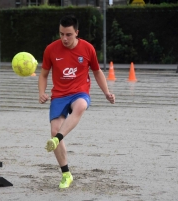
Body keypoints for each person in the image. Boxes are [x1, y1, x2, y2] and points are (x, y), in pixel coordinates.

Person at [38, 15, 115, 189]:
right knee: (54, 129)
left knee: (80, 105)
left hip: (79, 92)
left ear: (77, 33)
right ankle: (66, 174)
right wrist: (41, 93)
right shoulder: (51, 49)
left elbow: (97, 72)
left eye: (68, 34)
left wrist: (107, 93)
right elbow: (43, 74)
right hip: (59, 95)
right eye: (61, 34)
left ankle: (57, 139)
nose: (64, 38)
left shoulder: (88, 49)